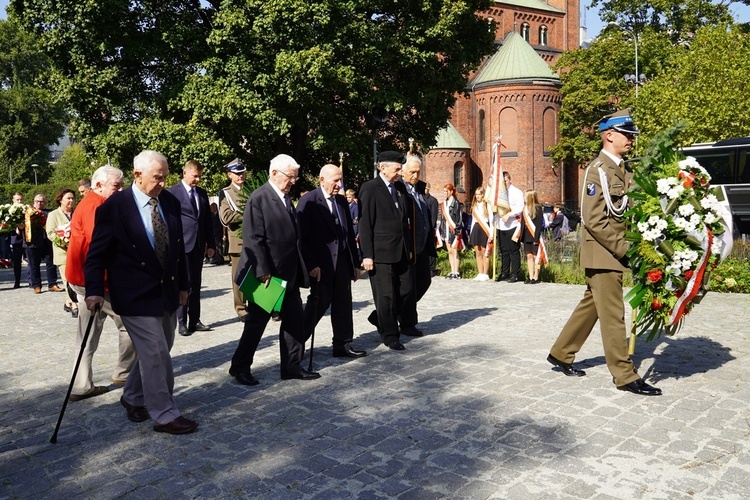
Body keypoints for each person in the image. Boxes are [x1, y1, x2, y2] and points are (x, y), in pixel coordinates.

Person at [547, 109, 662, 396]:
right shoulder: (596, 170)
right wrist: (626, 251)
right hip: (604, 252)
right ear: (609, 135)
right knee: (613, 314)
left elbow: (627, 211)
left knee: (592, 306)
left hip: (613, 250)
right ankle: (624, 375)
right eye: (627, 135)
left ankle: (561, 352)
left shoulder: (623, 169)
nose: (631, 140)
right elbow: (594, 219)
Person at [85, 150, 197, 434]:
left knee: (159, 348)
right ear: (137, 175)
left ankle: (133, 396)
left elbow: (177, 250)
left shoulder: (169, 201)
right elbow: (96, 254)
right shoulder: (114, 207)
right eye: (157, 177)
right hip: (133, 294)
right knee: (156, 351)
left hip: (166, 290)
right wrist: (94, 290)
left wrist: (183, 286)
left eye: (164, 177)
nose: (162, 182)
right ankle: (164, 413)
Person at [229, 154, 320, 385]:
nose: (293, 181)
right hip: (267, 276)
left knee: (294, 321)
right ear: (274, 173)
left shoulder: (286, 199)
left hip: (288, 273)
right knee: (256, 324)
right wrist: (262, 270)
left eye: (295, 177)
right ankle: (239, 367)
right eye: (290, 176)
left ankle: (291, 366)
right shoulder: (259, 198)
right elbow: (253, 238)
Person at [67, 165, 136, 400]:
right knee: (129, 324)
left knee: (87, 333)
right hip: (96, 283)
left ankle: (81, 384)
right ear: (98, 185)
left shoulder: (92, 203)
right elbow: (99, 249)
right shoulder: (97, 206)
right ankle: (123, 373)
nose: (120, 190)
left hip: (85, 279)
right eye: (116, 186)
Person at [298, 164, 366, 358]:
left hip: (342, 263)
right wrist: (310, 265)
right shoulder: (309, 201)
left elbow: (348, 236)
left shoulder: (342, 202)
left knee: (343, 304)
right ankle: (298, 342)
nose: (339, 184)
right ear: (321, 180)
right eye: (335, 180)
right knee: (318, 304)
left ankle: (343, 344)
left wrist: (355, 263)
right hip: (321, 265)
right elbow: (301, 238)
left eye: (340, 180)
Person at [359, 151, 414, 351]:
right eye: (397, 169)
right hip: (380, 253)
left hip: (400, 250)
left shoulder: (399, 188)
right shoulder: (370, 188)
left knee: (407, 290)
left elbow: (404, 220)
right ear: (382, 167)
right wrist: (367, 254)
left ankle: (380, 318)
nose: (400, 172)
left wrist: (408, 247)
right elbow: (365, 224)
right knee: (386, 296)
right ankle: (390, 335)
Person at [169, 160, 216, 336]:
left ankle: (195, 320)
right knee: (184, 284)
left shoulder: (202, 194)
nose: (197, 179)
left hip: (198, 245)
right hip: (182, 246)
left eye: (199, 176)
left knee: (196, 284)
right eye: (195, 176)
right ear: (185, 173)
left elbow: (206, 222)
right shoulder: (172, 193)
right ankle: (182, 322)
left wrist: (211, 244)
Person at [398, 154, 435, 335]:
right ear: (403, 172)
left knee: (424, 281)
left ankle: (384, 315)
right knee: (408, 287)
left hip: (422, 246)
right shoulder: (400, 190)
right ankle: (407, 324)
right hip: (409, 247)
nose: (415, 175)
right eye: (412, 172)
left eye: (418, 172)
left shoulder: (420, 190)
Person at [219, 159, 248, 321]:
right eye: (237, 173)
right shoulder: (226, 193)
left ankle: (258, 305)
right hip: (238, 241)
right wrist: (248, 213)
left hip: (253, 240)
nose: (240, 176)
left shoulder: (250, 190)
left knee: (255, 275)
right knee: (239, 278)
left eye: (242, 172)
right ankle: (241, 308)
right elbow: (226, 217)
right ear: (230, 175)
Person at [45, 189, 77, 316]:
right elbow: (50, 233)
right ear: (60, 199)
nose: (71, 201)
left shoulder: (77, 213)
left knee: (77, 279)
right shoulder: (53, 215)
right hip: (62, 252)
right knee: (68, 279)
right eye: (68, 198)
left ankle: (67, 302)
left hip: (77, 252)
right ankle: (75, 304)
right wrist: (63, 241)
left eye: (73, 198)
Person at [25, 194, 63, 294]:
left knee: (51, 263)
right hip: (33, 243)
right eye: (37, 201)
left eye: (42, 201)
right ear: (34, 201)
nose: (39, 203)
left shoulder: (50, 213)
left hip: (47, 242)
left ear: (45, 203)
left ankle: (52, 284)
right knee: (34, 265)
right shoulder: (27, 213)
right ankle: (36, 286)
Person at [494, 171, 524, 283]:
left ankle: (515, 273)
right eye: (502, 182)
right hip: (501, 225)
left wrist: (509, 215)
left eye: (505, 181)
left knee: (513, 250)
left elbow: (520, 208)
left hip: (513, 224)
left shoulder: (517, 192)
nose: (504, 183)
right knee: (504, 250)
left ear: (510, 180)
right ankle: (504, 272)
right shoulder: (499, 193)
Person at [517, 189, 546, 284]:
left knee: (535, 256)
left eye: (526, 197)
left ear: (530, 198)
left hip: (534, 235)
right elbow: (522, 223)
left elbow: (538, 225)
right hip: (526, 235)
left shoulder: (538, 209)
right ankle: (530, 276)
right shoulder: (524, 209)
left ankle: (536, 277)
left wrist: (536, 238)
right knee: (529, 256)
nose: (524, 198)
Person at [468, 187, 494, 281]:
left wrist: (492, 233)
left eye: (479, 194)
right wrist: (471, 233)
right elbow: (473, 220)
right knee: (478, 252)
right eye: (476, 194)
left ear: (483, 195)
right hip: (476, 228)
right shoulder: (474, 206)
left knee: (484, 252)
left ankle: (485, 273)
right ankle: (480, 273)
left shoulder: (487, 205)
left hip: (485, 229)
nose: (477, 196)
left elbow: (491, 219)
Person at [440, 184, 462, 279]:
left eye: (446, 191)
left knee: (454, 250)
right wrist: (442, 231)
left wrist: (457, 230)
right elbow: (442, 218)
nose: (445, 193)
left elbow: (459, 218)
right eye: (444, 191)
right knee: (449, 251)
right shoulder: (444, 203)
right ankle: (452, 270)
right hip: (446, 229)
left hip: (453, 230)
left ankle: (456, 272)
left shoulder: (456, 203)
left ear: (451, 191)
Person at [423, 183, 439, 277]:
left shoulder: (433, 200)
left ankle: (432, 268)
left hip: (429, 229)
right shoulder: (421, 198)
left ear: (428, 189)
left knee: (431, 248)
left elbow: (433, 216)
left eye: (425, 188)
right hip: (422, 229)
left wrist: (431, 227)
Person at [9, 192, 25, 288]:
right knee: (17, 262)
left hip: (27, 238)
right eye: (17, 199)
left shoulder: (27, 209)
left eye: (21, 199)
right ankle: (17, 281)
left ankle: (33, 281)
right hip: (15, 239)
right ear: (13, 200)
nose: (19, 201)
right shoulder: (8, 211)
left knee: (32, 262)